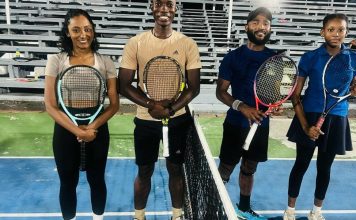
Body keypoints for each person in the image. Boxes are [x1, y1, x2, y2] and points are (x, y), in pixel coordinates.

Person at [117, 0, 201, 219]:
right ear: (152, 7)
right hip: (145, 121)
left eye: (170, 4)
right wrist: (151, 105)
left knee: (176, 170)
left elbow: (194, 87)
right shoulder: (135, 43)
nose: (164, 9)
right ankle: (139, 216)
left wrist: (170, 109)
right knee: (144, 171)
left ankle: (177, 215)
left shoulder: (188, 44)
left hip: (177, 121)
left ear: (175, 8)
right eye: (159, 4)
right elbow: (123, 84)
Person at [282, 14, 356, 220]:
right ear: (322, 32)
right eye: (331, 30)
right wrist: (306, 126)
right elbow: (296, 96)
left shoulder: (355, 58)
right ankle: (290, 210)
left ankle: (316, 211)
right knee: (301, 164)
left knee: (324, 167)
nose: (336, 34)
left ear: (346, 32)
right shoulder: (310, 57)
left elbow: (352, 81)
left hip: (337, 116)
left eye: (341, 30)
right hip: (309, 115)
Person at [44, 9, 119, 220]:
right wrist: (77, 130)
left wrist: (92, 127)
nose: (83, 34)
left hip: (97, 127)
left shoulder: (106, 61)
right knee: (68, 182)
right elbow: (50, 105)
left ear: (93, 31)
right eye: (76, 30)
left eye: (87, 29)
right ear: (67, 33)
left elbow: (114, 105)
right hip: (66, 128)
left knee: (97, 180)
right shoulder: (56, 60)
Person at [216, 7, 279, 220]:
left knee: (250, 167)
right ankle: (214, 205)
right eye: (256, 22)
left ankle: (243, 208)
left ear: (270, 29)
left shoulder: (276, 59)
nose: (261, 27)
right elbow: (221, 92)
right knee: (225, 168)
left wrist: (276, 105)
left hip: (260, 124)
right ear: (247, 26)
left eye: (266, 23)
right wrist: (242, 107)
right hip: (235, 123)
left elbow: (278, 92)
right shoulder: (233, 58)